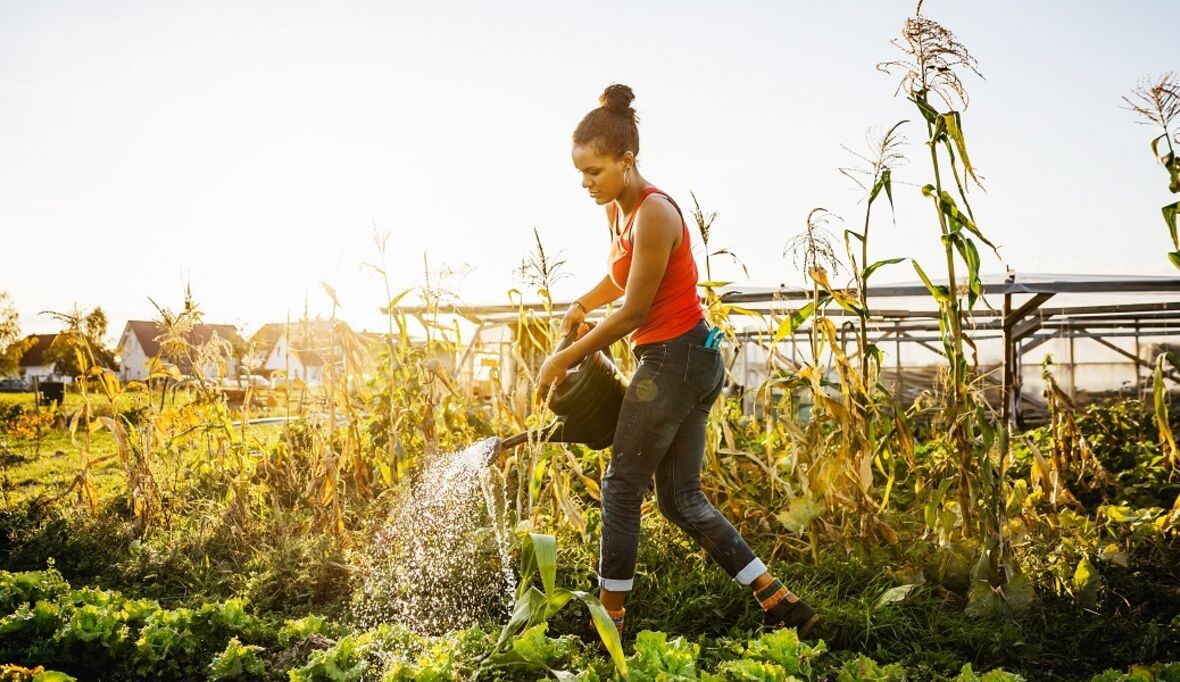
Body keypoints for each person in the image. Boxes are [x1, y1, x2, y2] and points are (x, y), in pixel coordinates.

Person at [536, 84, 818, 639]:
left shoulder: (655, 213)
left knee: (620, 487)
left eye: (594, 171)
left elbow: (637, 309)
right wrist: (580, 304)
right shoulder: (619, 212)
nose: (585, 183)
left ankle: (608, 623)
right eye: (580, 173)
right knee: (680, 501)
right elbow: (621, 278)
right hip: (685, 359)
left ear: (626, 160)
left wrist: (562, 358)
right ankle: (781, 603)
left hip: (676, 360)